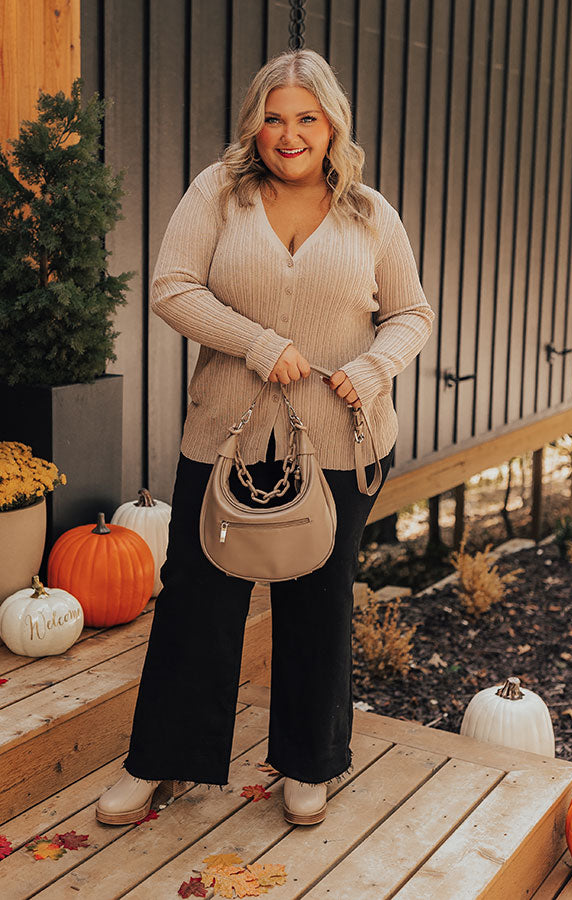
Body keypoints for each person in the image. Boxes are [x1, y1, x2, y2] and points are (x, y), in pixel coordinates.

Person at [96, 48, 435, 828]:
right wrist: (256, 343)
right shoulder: (217, 193)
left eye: (306, 118)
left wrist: (373, 367)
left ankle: (309, 764)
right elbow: (172, 287)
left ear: (332, 124)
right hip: (228, 434)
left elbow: (411, 313)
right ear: (255, 124)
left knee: (318, 597)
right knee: (196, 596)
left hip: (341, 439)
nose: (289, 135)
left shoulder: (370, 213)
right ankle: (161, 761)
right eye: (274, 118)